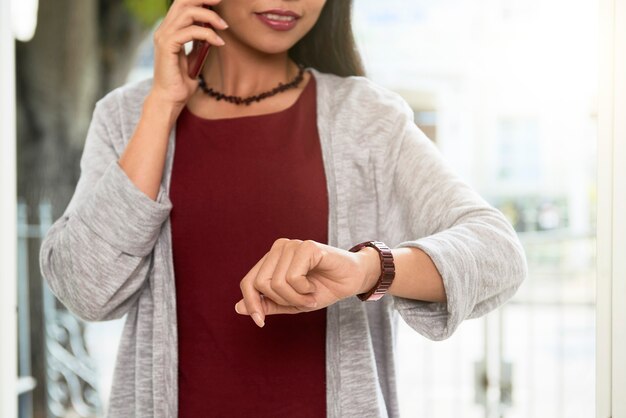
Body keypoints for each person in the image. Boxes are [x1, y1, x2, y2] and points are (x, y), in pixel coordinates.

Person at [39, 0, 528, 416]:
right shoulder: (127, 119)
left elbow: (497, 253)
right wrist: (162, 105)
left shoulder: (364, 119)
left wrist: (365, 269)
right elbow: (87, 289)